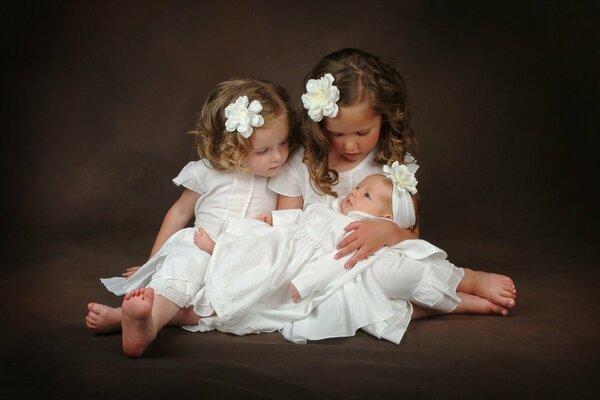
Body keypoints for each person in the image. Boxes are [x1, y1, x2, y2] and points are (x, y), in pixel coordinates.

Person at [268, 48, 516, 313]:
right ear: (319, 125)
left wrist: (387, 233)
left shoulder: (393, 163)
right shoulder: (301, 162)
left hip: (381, 261)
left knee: (395, 272)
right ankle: (444, 306)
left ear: (384, 118)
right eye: (336, 133)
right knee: (327, 300)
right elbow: (286, 230)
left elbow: (413, 233)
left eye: (363, 132)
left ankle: (467, 279)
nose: (350, 145)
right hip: (323, 266)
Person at [84, 77, 297, 357]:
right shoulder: (207, 172)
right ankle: (147, 324)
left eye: (283, 143)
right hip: (199, 246)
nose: (278, 156)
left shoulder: (285, 176)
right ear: (231, 147)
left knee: (239, 300)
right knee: (182, 271)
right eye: (264, 150)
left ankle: (126, 318)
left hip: (242, 259)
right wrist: (153, 262)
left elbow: (285, 223)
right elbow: (180, 212)